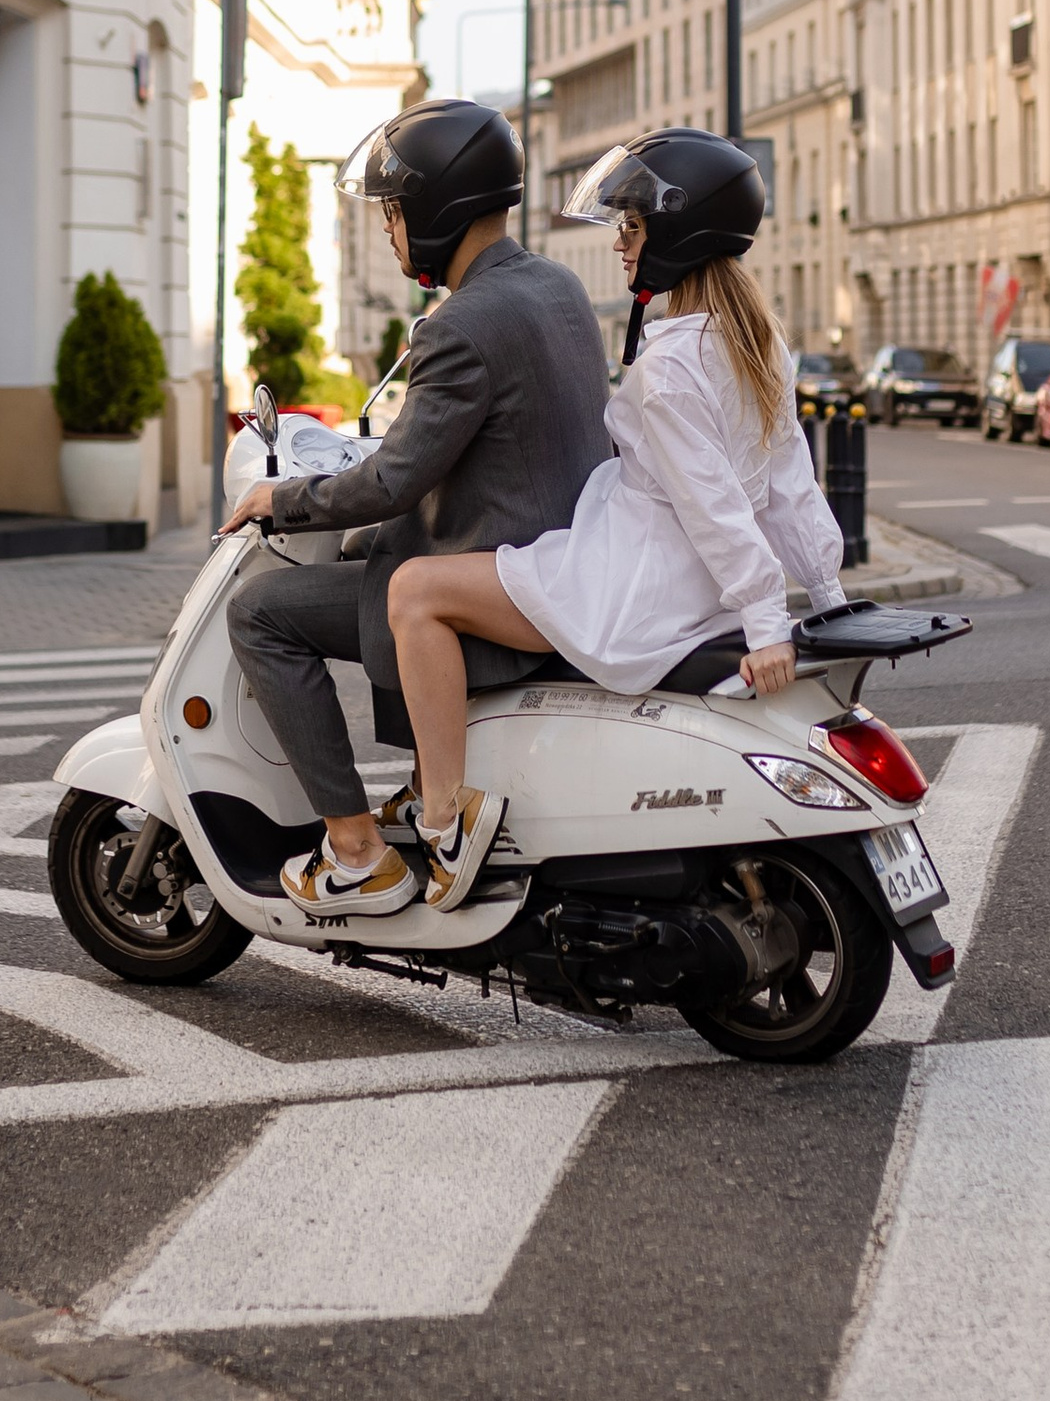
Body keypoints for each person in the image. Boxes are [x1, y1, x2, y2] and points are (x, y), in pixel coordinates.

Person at [383, 130, 844, 910]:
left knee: (414, 590)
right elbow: (789, 483)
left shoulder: (668, 368)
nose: (620, 242)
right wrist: (828, 597)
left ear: (678, 232)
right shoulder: (759, 343)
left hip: (628, 592)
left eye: (633, 225)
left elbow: (714, 504)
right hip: (684, 587)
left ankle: (442, 818)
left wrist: (770, 621)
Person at [220, 99, 612, 918]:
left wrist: (279, 500)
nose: (389, 228)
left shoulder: (461, 325)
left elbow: (392, 480)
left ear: (436, 210)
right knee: (380, 551)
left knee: (260, 611)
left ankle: (357, 853)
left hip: (500, 592)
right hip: (561, 559)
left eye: (395, 210)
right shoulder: (558, 286)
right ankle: (417, 786)